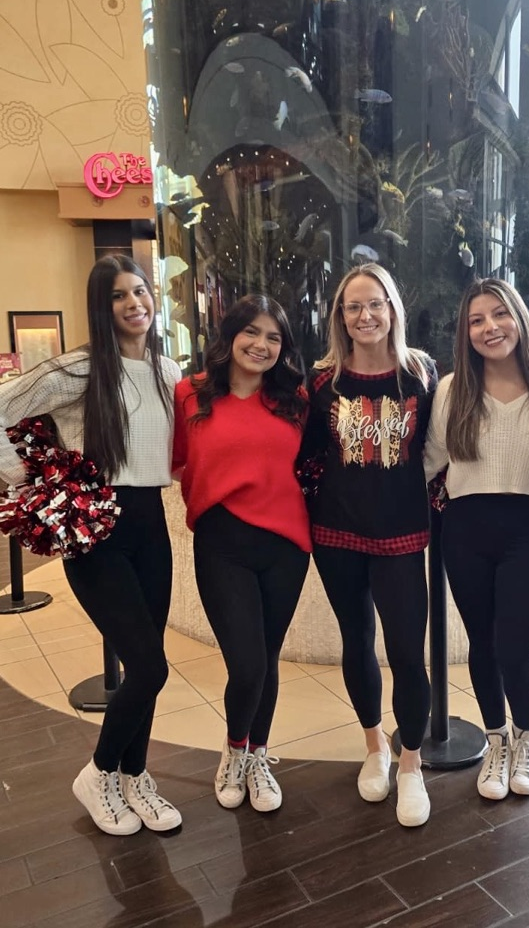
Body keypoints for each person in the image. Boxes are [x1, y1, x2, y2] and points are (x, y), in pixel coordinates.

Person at [0, 255, 182, 836]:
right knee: (151, 667)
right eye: (119, 296)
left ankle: (135, 776)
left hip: (151, 523)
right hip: (95, 529)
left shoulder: (168, 370)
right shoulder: (77, 369)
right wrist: (25, 481)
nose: (135, 305)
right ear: (100, 307)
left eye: (141, 292)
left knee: (143, 664)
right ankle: (99, 772)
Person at [424, 278, 529, 802]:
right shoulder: (451, 390)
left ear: (519, 318)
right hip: (464, 531)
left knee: (517, 649)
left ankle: (526, 739)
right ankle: (496, 741)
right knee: (482, 646)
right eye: (476, 320)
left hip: (525, 531)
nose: (490, 328)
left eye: (499, 315)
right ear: (465, 333)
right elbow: (429, 462)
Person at [300, 261, 437, 827]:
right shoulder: (322, 381)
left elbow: (441, 447)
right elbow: (305, 454)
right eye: (353, 306)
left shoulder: (423, 375)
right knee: (356, 642)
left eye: (375, 304)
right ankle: (374, 746)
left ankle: (410, 764)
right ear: (340, 316)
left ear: (392, 310)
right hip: (337, 534)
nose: (365, 315)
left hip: (403, 535)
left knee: (408, 653)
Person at [172, 295, 310, 814]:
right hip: (221, 544)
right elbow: (177, 460)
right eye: (252, 332)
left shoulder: (294, 400)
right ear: (230, 336)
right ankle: (233, 752)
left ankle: (258, 755)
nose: (261, 344)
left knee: (267, 661)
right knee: (247, 663)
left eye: (274, 337)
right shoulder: (191, 393)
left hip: (285, 547)